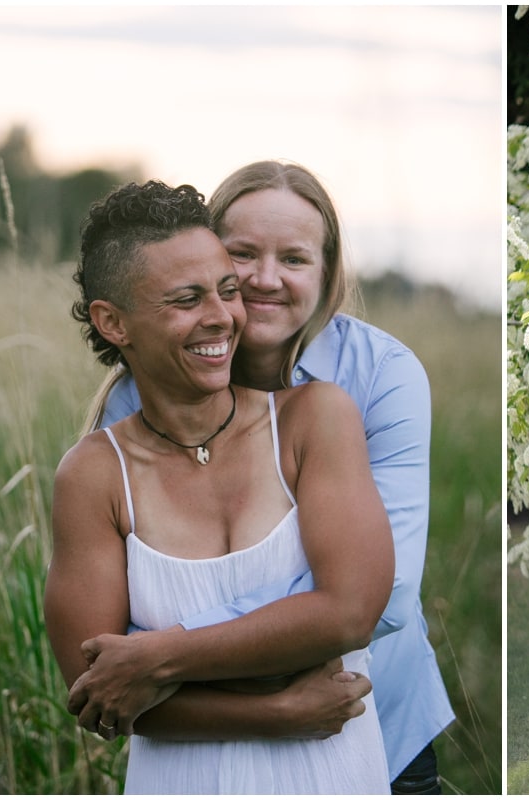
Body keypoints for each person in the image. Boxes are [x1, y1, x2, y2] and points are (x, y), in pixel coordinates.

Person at [85, 160, 455, 793]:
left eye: (294, 258)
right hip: (195, 751)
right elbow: (103, 664)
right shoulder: (135, 404)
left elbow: (380, 596)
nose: (264, 279)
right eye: (241, 255)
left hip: (376, 724)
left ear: (328, 271)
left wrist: (165, 653)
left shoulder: (380, 378)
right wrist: (271, 707)